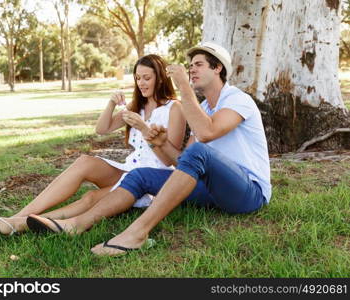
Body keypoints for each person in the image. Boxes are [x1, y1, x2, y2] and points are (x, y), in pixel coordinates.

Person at [25, 42, 272, 257]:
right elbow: (182, 162)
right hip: (213, 192)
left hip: (249, 193)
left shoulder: (237, 99)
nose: (191, 69)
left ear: (218, 68)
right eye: (190, 66)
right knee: (139, 175)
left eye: (198, 64)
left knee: (199, 152)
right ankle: (78, 223)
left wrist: (184, 87)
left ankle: (137, 233)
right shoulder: (204, 108)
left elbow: (207, 134)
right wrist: (161, 142)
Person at [0, 54, 186, 235]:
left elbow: (170, 159)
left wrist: (143, 128)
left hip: (152, 177)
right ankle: (18, 216)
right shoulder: (137, 105)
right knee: (85, 161)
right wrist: (111, 103)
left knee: (90, 198)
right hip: (128, 167)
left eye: (147, 78)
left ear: (160, 79)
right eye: (138, 78)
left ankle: (21, 224)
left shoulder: (174, 108)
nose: (141, 83)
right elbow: (102, 129)